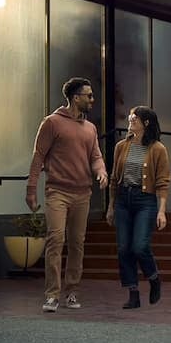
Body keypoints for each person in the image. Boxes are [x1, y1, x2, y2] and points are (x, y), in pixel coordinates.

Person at [27, 77, 108, 312]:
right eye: (89, 95)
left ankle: (72, 292)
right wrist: (31, 190)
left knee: (77, 244)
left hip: (82, 193)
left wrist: (101, 171)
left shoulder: (90, 128)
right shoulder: (52, 123)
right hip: (57, 192)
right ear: (76, 97)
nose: (92, 99)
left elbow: (95, 156)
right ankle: (52, 294)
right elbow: (38, 156)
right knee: (56, 239)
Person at [107, 105, 169, 308]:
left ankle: (153, 278)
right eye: (131, 117)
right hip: (124, 200)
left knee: (140, 246)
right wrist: (111, 207)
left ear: (146, 123)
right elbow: (115, 179)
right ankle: (133, 294)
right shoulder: (121, 146)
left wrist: (161, 211)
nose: (131, 119)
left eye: (136, 117)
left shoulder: (158, 149)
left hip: (146, 201)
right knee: (124, 248)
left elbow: (162, 182)